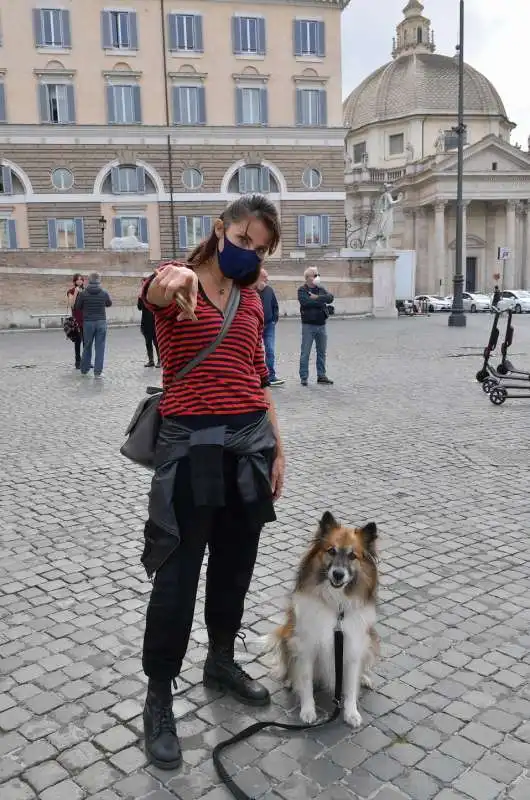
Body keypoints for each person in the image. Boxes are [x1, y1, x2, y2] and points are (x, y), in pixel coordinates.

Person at [138, 194, 285, 771]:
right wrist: (169, 278)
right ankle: (158, 695)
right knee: (176, 576)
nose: (250, 254)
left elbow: (258, 375)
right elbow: (156, 288)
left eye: (261, 248)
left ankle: (220, 659)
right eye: (244, 240)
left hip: (249, 445)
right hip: (191, 445)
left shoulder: (252, 298)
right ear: (220, 229)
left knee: (235, 566)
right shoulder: (175, 284)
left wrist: (279, 449)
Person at [298, 266, 334, 386]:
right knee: (305, 352)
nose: (317, 277)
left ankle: (321, 375)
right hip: (308, 325)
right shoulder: (302, 290)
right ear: (308, 278)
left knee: (321, 352)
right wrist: (320, 301)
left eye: (317, 275)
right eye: (315, 275)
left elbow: (330, 298)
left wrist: (317, 298)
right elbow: (306, 302)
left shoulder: (320, 288)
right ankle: (304, 377)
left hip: (321, 325)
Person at [75, 272, 112, 378]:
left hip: (88, 322)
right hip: (101, 321)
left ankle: (84, 369)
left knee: (87, 346)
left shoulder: (83, 293)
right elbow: (109, 304)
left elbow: (78, 307)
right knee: (100, 347)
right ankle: (97, 372)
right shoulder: (104, 293)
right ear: (99, 280)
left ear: (88, 280)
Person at [256, 267, 283, 386]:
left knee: (270, 350)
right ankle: (256, 376)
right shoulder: (251, 291)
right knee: (255, 351)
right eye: (264, 277)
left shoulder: (269, 290)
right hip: (255, 326)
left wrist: (274, 318)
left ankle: (271, 376)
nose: (267, 279)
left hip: (269, 325)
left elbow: (275, 305)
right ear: (258, 277)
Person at [138, 285, 160, 367]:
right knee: (148, 343)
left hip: (154, 322)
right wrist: (140, 298)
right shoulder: (142, 297)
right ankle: (151, 360)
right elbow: (139, 308)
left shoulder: (153, 295)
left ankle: (160, 360)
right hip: (145, 322)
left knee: (156, 342)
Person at [66, 273, 84, 369]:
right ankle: (78, 361)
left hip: (86, 319)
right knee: (78, 341)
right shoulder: (71, 291)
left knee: (86, 341)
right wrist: (76, 293)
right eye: (78, 279)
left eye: (81, 279)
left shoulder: (85, 291)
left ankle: (86, 360)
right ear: (74, 281)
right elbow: (72, 305)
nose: (79, 281)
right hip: (76, 319)